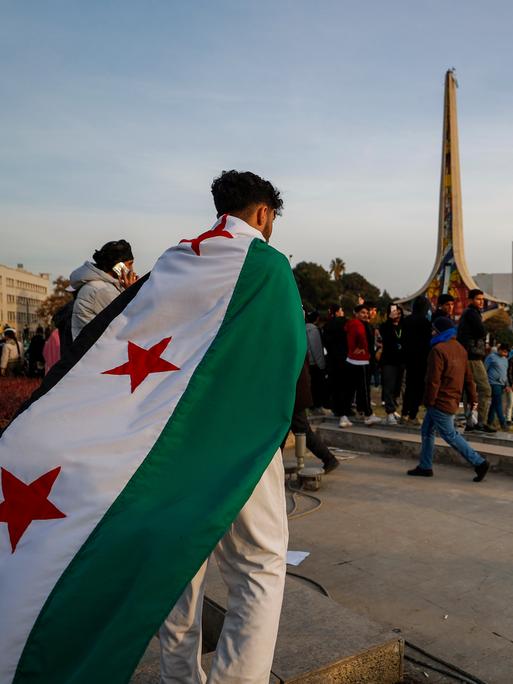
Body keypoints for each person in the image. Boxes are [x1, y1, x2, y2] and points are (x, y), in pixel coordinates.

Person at [159, 170, 301, 684]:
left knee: (176, 569)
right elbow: (285, 355)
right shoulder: (267, 265)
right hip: (240, 437)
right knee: (258, 567)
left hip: (169, 443)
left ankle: (178, 676)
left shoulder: (175, 259)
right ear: (263, 213)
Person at [407, 317, 489, 482]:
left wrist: (429, 401)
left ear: (440, 332)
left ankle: (479, 462)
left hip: (440, 400)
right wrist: (473, 397)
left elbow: (433, 380)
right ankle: (425, 466)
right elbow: (468, 378)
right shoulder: (461, 349)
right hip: (451, 398)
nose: (432, 332)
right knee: (427, 430)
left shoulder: (438, 350)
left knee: (450, 434)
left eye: (434, 330)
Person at [69, 239, 138, 339]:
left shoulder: (99, 286)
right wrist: (132, 292)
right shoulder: (101, 290)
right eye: (130, 264)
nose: (132, 269)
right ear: (118, 267)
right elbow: (129, 322)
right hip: (94, 351)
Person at [282, 356, 339, 473]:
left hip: (293, 396)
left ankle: (329, 458)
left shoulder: (291, 345)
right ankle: (329, 458)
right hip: (293, 394)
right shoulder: (297, 343)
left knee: (301, 430)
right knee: (283, 432)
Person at [457, 289, 494, 433]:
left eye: (482, 299)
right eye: (478, 299)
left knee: (469, 390)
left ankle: (470, 422)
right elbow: (480, 331)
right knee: (485, 388)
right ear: (471, 300)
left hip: (468, 355)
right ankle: (481, 422)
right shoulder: (472, 313)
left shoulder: (468, 313)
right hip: (472, 356)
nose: (481, 302)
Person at [339, 304, 381, 428]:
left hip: (350, 360)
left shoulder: (349, 324)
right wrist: (362, 349)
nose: (365, 315)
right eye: (363, 312)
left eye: (367, 313)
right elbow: (362, 339)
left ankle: (344, 416)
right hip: (361, 361)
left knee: (349, 390)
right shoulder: (360, 325)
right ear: (356, 313)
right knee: (363, 389)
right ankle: (368, 415)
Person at [401, 296, 432, 424]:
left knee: (409, 387)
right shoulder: (425, 323)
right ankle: (413, 415)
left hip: (408, 358)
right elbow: (427, 342)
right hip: (421, 359)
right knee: (418, 388)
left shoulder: (406, 321)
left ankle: (404, 413)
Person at [379, 303, 405, 425]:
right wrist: (389, 319)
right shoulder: (385, 326)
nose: (397, 315)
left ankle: (393, 409)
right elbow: (384, 332)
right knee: (388, 387)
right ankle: (389, 412)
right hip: (388, 361)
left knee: (397, 388)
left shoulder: (404, 326)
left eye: (399, 313)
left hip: (401, 361)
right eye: (394, 312)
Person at [322, 303, 347, 416]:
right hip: (342, 357)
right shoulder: (343, 323)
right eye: (341, 310)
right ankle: (343, 409)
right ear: (337, 312)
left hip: (331, 358)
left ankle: (333, 406)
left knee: (333, 384)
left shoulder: (327, 325)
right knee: (343, 385)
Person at [485, 343, 511, 431]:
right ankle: (503, 422)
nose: (505, 354)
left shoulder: (505, 360)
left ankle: (489, 422)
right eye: (504, 352)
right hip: (493, 383)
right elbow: (485, 369)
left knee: (494, 404)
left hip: (502, 385)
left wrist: (507, 385)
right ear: (499, 349)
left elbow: (505, 373)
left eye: (507, 353)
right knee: (498, 403)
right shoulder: (491, 357)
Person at [305, 310, 327, 411]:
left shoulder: (303, 327)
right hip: (314, 363)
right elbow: (316, 348)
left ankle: (311, 405)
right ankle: (316, 406)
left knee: (310, 386)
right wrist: (321, 364)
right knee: (317, 386)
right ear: (317, 319)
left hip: (306, 362)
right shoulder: (313, 330)